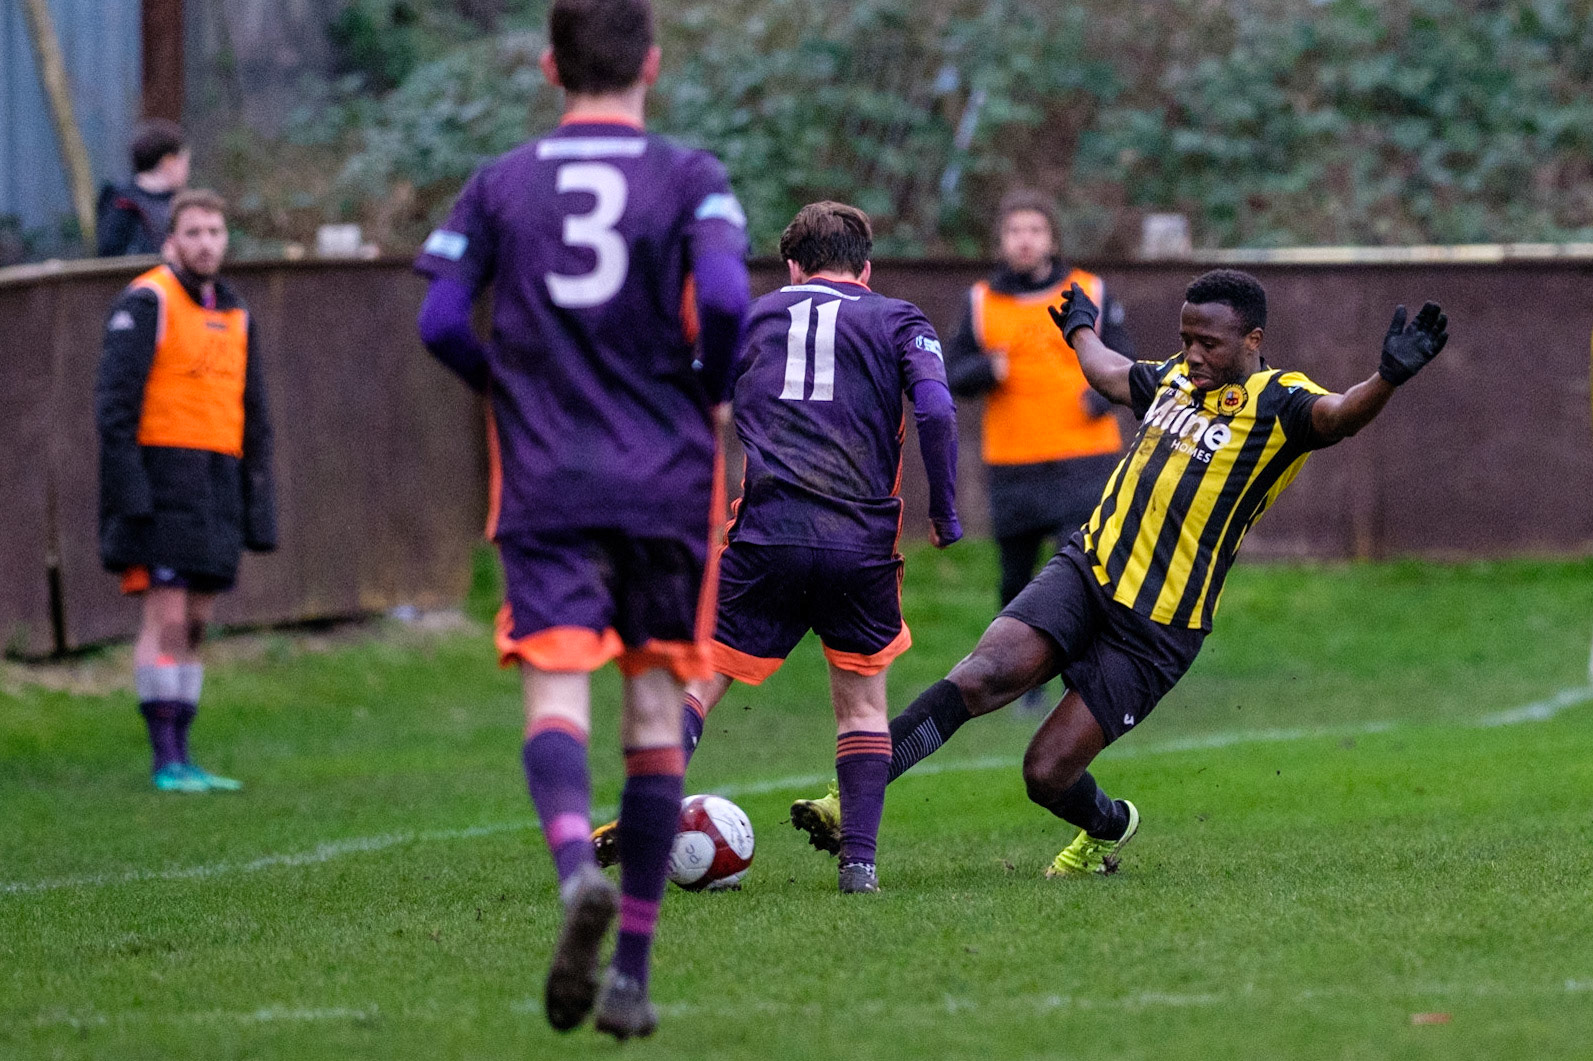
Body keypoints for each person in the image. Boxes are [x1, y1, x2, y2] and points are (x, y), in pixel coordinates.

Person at [788, 269, 1448, 878]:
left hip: (1156, 626)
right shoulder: (1173, 380)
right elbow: (1108, 373)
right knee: (981, 674)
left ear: (1252, 340)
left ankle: (1108, 826)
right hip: (1086, 570)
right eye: (1186, 339)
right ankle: (849, 802)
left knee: (1045, 772)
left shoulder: (1282, 401)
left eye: (1208, 343)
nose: (1192, 354)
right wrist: (1080, 328)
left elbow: (1338, 415)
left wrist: (1385, 379)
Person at [413, 0, 750, 1040]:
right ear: (653, 62)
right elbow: (727, 302)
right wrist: (705, 390)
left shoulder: (499, 182)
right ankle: (632, 976)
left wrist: (505, 383)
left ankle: (573, 869)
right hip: (667, 481)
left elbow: (438, 316)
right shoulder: (691, 177)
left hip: (547, 476)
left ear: (548, 66)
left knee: (556, 687)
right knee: (653, 712)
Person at [589, 202, 962, 895]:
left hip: (765, 534)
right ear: (865, 267)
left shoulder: (752, 318)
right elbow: (937, 409)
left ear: (792, 265)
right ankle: (859, 865)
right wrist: (944, 510)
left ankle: (647, 812)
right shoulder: (900, 319)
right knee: (861, 706)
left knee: (698, 682)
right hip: (859, 542)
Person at [95, 189, 276, 794]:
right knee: (167, 618)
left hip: (217, 485)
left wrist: (257, 503)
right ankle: (165, 757)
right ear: (172, 240)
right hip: (161, 482)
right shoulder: (147, 300)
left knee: (197, 622)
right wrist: (129, 494)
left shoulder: (237, 312)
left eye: (215, 232)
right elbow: (114, 407)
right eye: (194, 232)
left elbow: (255, 415)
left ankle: (186, 753)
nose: (206, 244)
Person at [945, 190, 1131, 618]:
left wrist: (1100, 398)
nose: (1025, 240)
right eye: (1014, 231)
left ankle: (1079, 656)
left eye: (1035, 230)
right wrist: (986, 369)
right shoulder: (980, 300)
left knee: (1084, 574)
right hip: (1013, 463)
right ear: (1001, 240)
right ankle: (1018, 660)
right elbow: (952, 374)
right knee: (1016, 583)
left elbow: (1126, 361)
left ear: (1053, 239)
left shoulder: (1089, 290)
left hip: (1085, 459)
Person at [96, 119, 190, 257]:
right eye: (184, 162)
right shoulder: (122, 201)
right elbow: (110, 254)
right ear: (168, 161)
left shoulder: (181, 201)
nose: (187, 171)